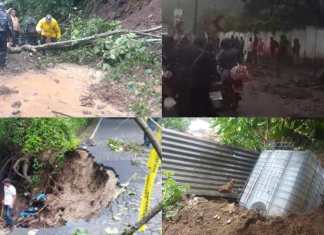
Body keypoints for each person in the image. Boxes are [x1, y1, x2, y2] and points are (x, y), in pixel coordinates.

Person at [0, 2, 12, 70]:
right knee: (3, 50)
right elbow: (9, 27)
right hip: (3, 34)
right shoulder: (6, 15)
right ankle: (2, 66)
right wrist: (10, 37)